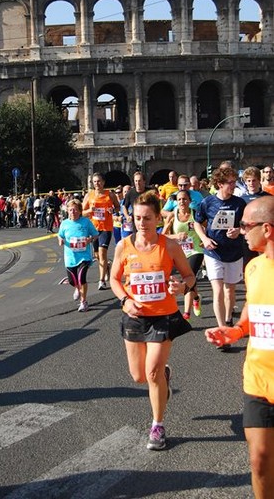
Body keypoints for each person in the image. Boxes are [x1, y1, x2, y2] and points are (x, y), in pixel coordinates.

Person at [110, 191, 194, 450]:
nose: (141, 223)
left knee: (152, 371)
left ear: (158, 218)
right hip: (134, 317)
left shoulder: (169, 245)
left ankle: (157, 425)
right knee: (138, 376)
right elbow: (114, 279)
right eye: (137, 218)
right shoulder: (124, 246)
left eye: (147, 218)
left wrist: (182, 287)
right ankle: (164, 380)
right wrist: (125, 300)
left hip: (163, 317)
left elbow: (189, 276)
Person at [205, 195, 274, 499]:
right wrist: (234, 331)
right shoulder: (254, 267)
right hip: (258, 380)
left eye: (247, 225)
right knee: (259, 462)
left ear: (267, 229)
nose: (242, 230)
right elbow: (251, 312)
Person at [194, 167, 246, 345]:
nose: (233, 185)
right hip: (213, 251)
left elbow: (247, 226)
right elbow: (197, 223)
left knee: (229, 290)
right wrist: (204, 238)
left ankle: (229, 316)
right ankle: (222, 329)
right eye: (230, 182)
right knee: (217, 290)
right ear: (219, 184)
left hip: (234, 251)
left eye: (234, 182)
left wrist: (239, 231)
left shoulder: (240, 203)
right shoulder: (208, 202)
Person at [162, 189, 204, 319]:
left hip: (196, 250)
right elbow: (163, 235)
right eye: (179, 199)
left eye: (184, 199)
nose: (182, 202)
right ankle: (196, 297)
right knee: (191, 278)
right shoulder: (172, 215)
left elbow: (205, 227)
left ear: (190, 201)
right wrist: (176, 236)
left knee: (187, 277)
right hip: (180, 253)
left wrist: (204, 238)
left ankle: (186, 313)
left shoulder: (195, 214)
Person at [58, 199, 99, 312]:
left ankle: (83, 302)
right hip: (70, 257)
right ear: (67, 211)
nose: (73, 212)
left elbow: (95, 235)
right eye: (71, 210)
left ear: (80, 211)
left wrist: (89, 239)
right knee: (73, 281)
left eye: (75, 210)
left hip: (84, 257)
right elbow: (60, 235)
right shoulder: (64, 223)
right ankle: (77, 288)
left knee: (82, 278)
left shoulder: (85, 222)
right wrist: (60, 240)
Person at [82, 172, 120, 290]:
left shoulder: (110, 194)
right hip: (93, 229)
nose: (97, 184)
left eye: (99, 181)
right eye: (94, 182)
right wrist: (90, 211)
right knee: (97, 255)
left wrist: (112, 210)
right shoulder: (89, 195)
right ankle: (107, 266)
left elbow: (117, 207)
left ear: (103, 182)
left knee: (102, 253)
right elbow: (82, 212)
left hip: (106, 228)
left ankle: (101, 280)